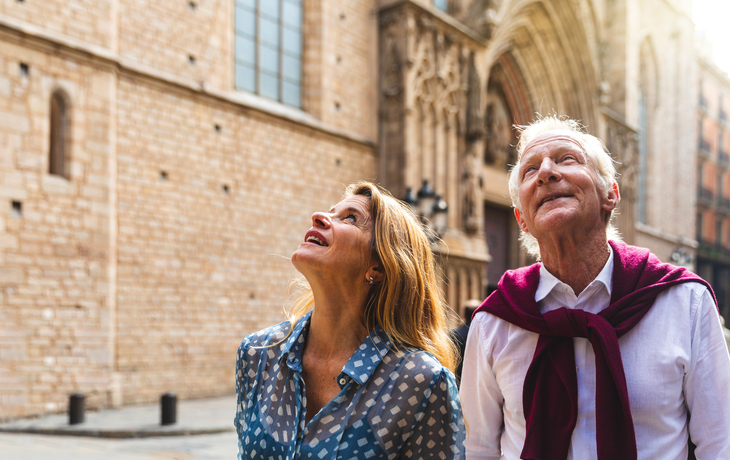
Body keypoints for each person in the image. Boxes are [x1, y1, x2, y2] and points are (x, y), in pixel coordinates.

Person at [460, 115, 730, 460]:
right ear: (521, 219)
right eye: (530, 170)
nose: (546, 172)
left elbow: (719, 445)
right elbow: (479, 448)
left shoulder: (685, 302)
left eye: (566, 159)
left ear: (610, 195)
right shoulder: (494, 322)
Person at [235, 181, 465, 459]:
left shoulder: (422, 381)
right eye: (332, 212)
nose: (319, 216)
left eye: (351, 218)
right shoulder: (257, 353)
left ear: (378, 266)